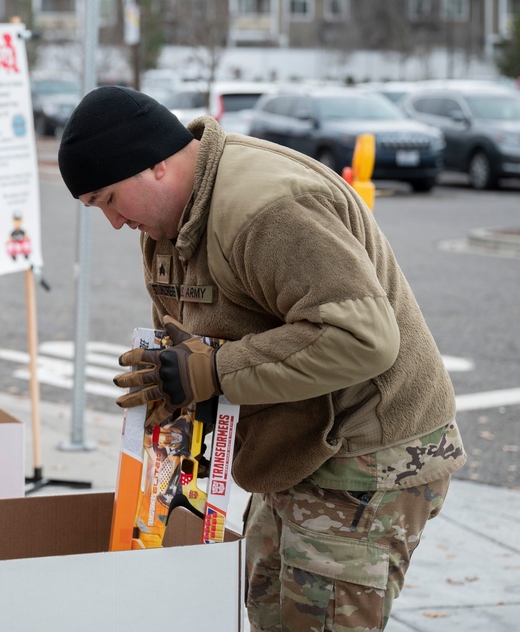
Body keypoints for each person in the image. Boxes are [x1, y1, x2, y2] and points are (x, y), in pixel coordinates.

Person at [57, 86, 467, 631]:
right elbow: (188, 336)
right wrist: (172, 389)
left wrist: (213, 372)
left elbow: (363, 337)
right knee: (271, 613)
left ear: (153, 165)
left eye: (107, 199)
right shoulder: (164, 223)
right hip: (293, 447)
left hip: (368, 452)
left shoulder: (267, 208)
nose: (112, 221)